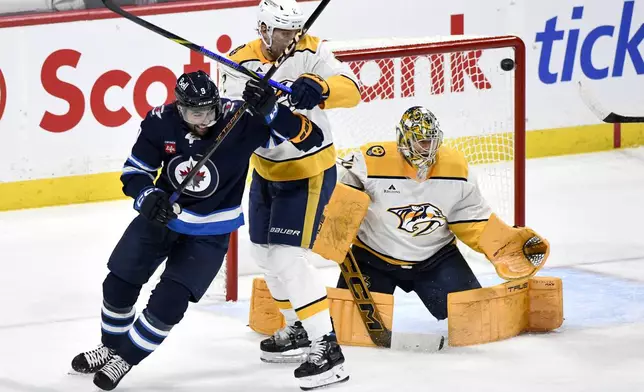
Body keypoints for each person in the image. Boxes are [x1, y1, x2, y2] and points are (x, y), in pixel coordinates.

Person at [69, 70, 323, 391]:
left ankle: (125, 358)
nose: (203, 120)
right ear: (179, 108)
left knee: (169, 302)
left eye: (209, 111)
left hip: (210, 232)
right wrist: (148, 197)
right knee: (118, 281)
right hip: (161, 218)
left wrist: (272, 109)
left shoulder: (241, 122)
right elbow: (135, 172)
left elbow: (310, 139)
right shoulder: (160, 122)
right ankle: (110, 346)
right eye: (194, 113)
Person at [220, 0, 360, 389]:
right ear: (263, 29)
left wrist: (320, 87)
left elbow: (353, 90)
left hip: (310, 170)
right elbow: (233, 122)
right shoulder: (238, 62)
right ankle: (300, 328)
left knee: (287, 256)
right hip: (266, 171)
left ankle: (327, 346)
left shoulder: (312, 50)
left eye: (294, 32)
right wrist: (257, 110)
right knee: (264, 254)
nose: (290, 39)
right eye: (282, 32)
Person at [335, 106, 550, 322]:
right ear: (404, 139)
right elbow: (338, 188)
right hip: (373, 258)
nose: (428, 149)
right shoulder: (371, 161)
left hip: (435, 259)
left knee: (475, 321)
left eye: (431, 141)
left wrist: (502, 243)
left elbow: (472, 218)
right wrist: (336, 217)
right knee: (350, 327)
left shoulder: (456, 170)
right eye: (421, 141)